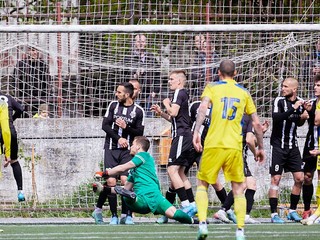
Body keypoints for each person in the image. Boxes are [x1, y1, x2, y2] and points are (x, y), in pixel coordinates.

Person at [192, 60, 265, 240]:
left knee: (202, 184)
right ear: (236, 73)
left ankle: (202, 224)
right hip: (234, 146)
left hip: (213, 144)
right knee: (238, 188)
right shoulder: (243, 92)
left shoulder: (212, 87)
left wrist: (196, 132)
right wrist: (261, 147)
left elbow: (202, 108)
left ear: (218, 72)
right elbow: (256, 123)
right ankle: (240, 230)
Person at [95, 136, 193, 224]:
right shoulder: (134, 170)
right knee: (126, 193)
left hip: (155, 197)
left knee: (174, 214)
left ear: (138, 146)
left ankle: (193, 220)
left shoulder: (143, 156)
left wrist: (104, 173)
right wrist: (104, 189)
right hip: (140, 200)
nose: (130, 147)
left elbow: (123, 167)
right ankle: (131, 198)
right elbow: (125, 189)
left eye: (132, 145)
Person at [92, 82, 145, 225]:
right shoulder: (113, 106)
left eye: (119, 92)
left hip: (127, 151)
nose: (117, 94)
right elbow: (105, 125)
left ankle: (127, 215)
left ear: (127, 94)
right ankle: (114, 215)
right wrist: (118, 138)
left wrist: (126, 127)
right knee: (110, 181)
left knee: (125, 181)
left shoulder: (138, 111)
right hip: (111, 148)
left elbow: (140, 133)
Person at [151, 70, 197, 224]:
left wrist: (165, 103)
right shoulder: (182, 94)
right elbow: (173, 118)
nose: (169, 82)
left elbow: (173, 111)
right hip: (185, 135)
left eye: (171, 79)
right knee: (181, 173)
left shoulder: (179, 92)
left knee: (172, 170)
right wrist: (161, 112)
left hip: (182, 137)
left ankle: (185, 206)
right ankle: (192, 204)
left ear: (179, 81)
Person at [214, 115, 270, 224]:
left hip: (229, 154)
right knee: (242, 185)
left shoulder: (230, 116)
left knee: (251, 185)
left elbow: (249, 141)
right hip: (236, 155)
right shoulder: (246, 118)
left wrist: (261, 133)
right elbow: (249, 141)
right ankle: (223, 210)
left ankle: (244, 215)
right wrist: (256, 153)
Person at [268, 77, 309, 224]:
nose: (283, 88)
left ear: (294, 89)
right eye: (282, 86)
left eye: (286, 86)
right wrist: (295, 109)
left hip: (293, 146)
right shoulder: (279, 100)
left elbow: (299, 122)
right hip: (278, 146)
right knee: (276, 179)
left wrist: (304, 115)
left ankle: (292, 210)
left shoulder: (301, 101)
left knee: (300, 178)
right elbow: (277, 118)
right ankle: (273, 214)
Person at [123, 34, 161, 116]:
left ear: (146, 43)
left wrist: (156, 90)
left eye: (143, 41)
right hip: (132, 94)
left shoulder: (151, 58)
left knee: (149, 117)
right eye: (138, 41)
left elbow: (158, 75)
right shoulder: (128, 57)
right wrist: (134, 75)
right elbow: (123, 76)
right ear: (134, 43)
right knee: (133, 117)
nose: (141, 43)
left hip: (149, 94)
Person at [301, 74, 320, 225]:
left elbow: (317, 121)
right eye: (315, 85)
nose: (315, 87)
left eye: (319, 85)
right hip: (310, 143)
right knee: (307, 177)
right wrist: (303, 114)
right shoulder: (312, 103)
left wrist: (312, 112)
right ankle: (307, 209)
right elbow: (303, 122)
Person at [0, 92, 25, 202]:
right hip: (11, 131)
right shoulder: (7, 98)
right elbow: (20, 109)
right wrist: (12, 119)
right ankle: (20, 192)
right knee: (14, 161)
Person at [14, 46, 51, 117]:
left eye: (37, 50)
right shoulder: (21, 64)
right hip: (24, 98)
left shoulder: (43, 64)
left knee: (40, 118)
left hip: (40, 98)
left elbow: (47, 82)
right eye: (33, 50)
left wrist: (45, 96)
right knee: (25, 118)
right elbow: (15, 81)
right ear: (28, 51)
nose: (35, 52)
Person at [190, 34, 219, 99]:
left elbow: (217, 74)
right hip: (199, 90)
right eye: (197, 41)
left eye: (201, 40)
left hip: (213, 89)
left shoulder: (216, 58)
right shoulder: (196, 57)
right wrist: (203, 77)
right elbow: (193, 74)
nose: (200, 43)